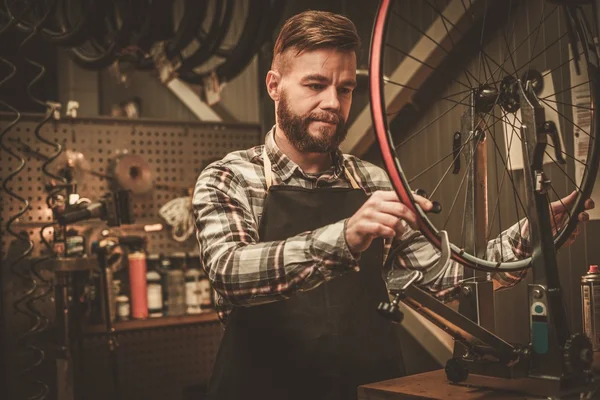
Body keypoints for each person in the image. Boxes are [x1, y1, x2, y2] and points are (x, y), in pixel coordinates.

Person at [192, 10, 594, 400]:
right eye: (315, 85)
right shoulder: (229, 178)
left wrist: (528, 242)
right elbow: (231, 273)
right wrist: (345, 237)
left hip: (368, 387)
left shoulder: (372, 181)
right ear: (274, 85)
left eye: (345, 88)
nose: (333, 102)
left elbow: (442, 277)